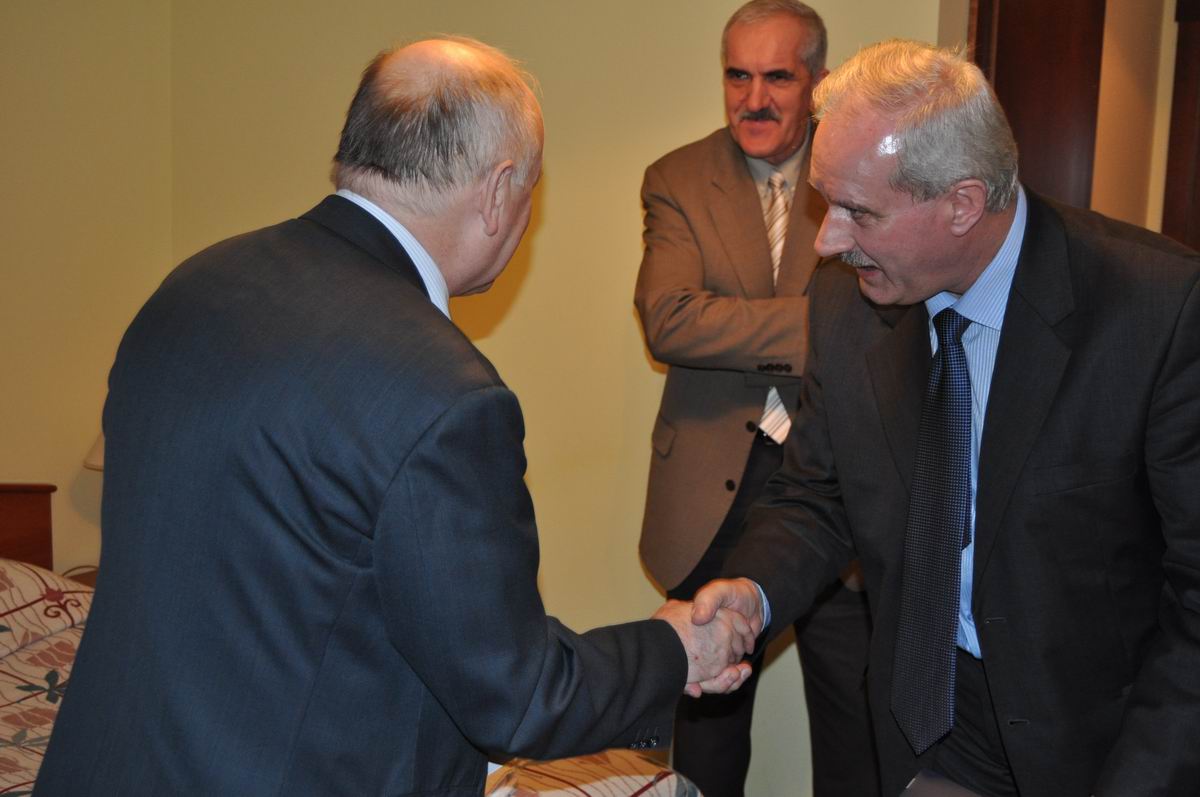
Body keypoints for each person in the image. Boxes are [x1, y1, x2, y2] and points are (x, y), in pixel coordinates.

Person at [35, 37, 755, 796]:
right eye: (532, 189)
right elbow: (516, 695)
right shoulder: (446, 394)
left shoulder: (189, 287)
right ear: (499, 190)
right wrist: (675, 649)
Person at [693, 39, 1200, 797]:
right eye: (825, 203)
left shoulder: (1157, 311)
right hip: (924, 724)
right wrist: (753, 589)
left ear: (962, 204)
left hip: (1099, 746)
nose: (828, 239)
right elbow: (818, 492)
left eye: (858, 212)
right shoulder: (846, 300)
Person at [634, 2, 878, 795]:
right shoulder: (676, 178)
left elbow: (892, 312)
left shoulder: (859, 170)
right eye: (737, 76)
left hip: (837, 484)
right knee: (706, 735)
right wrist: (823, 323)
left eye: (778, 77)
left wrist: (738, 324)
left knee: (856, 726)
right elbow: (670, 320)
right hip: (713, 491)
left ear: (818, 82)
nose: (754, 98)